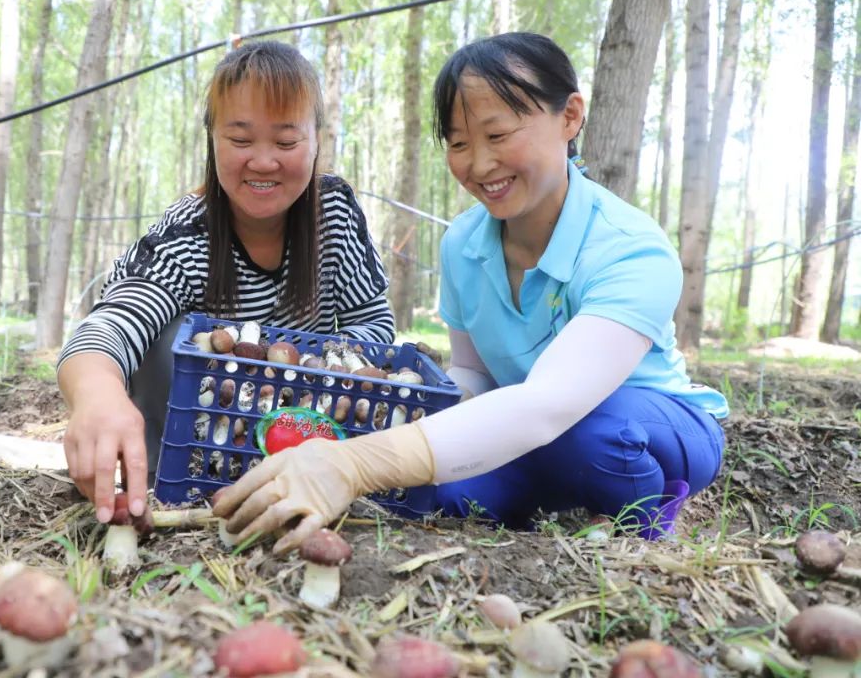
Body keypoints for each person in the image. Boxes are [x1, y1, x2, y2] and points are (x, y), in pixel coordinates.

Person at [213, 32, 728, 553]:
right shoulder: (465, 243)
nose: (479, 165)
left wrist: (353, 463)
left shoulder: (630, 249)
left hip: (646, 421)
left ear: (569, 116)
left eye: (499, 135)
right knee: (447, 493)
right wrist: (405, 412)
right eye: (459, 144)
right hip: (532, 427)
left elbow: (547, 405)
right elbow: (474, 375)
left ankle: (650, 505)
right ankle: (556, 493)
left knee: (594, 435)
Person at [59, 41, 395, 525]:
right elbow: (113, 324)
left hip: (311, 433)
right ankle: (161, 483)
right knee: (165, 335)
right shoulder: (187, 234)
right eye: (240, 140)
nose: (263, 162)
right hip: (199, 439)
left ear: (317, 140)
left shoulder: (334, 214)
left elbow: (372, 318)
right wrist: (96, 395)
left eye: (285, 142)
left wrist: (320, 368)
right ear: (212, 140)